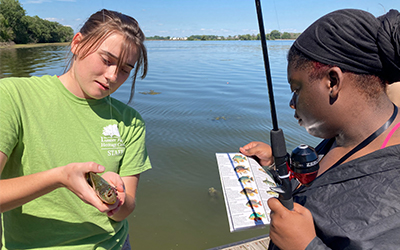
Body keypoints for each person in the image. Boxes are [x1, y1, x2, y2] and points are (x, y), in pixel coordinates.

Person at [240, 9, 400, 250]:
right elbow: (323, 186)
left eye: (297, 88)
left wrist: (305, 246)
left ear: (332, 82)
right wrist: (276, 165)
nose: (292, 103)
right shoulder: (344, 135)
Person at [0, 9, 152, 249]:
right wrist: (59, 178)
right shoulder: (13, 96)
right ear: (77, 44)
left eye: (125, 69)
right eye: (106, 60)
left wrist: (118, 199)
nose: (112, 76)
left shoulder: (130, 121)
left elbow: (126, 208)